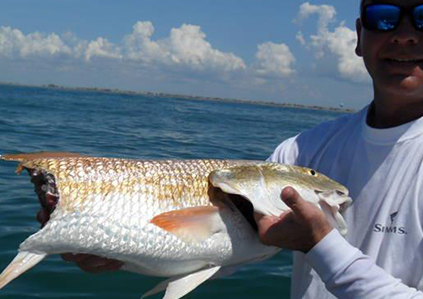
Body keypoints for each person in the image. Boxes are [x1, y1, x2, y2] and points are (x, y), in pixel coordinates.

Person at [37, 0, 423, 297]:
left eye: (422, 15)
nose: (404, 35)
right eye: (384, 15)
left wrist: (321, 245)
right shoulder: (302, 152)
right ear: (359, 35)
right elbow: (223, 247)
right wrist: (118, 252)